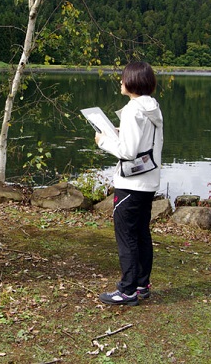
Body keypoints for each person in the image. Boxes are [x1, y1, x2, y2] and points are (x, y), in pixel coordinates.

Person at [94, 61, 164, 306]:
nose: (120, 82)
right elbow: (143, 140)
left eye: (123, 78)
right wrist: (119, 130)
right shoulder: (151, 107)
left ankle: (127, 290)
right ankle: (142, 285)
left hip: (130, 184)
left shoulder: (134, 110)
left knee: (127, 237)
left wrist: (103, 141)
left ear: (133, 82)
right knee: (142, 234)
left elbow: (128, 151)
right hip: (148, 183)